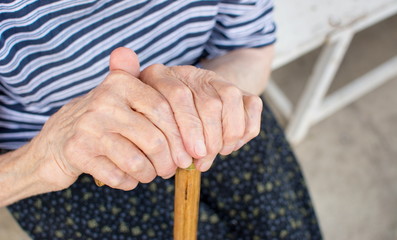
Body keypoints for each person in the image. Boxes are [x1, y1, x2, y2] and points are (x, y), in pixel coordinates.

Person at [0, 1, 322, 239]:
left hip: (202, 105)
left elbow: (250, 47)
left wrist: (216, 99)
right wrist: (48, 155)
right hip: (57, 160)